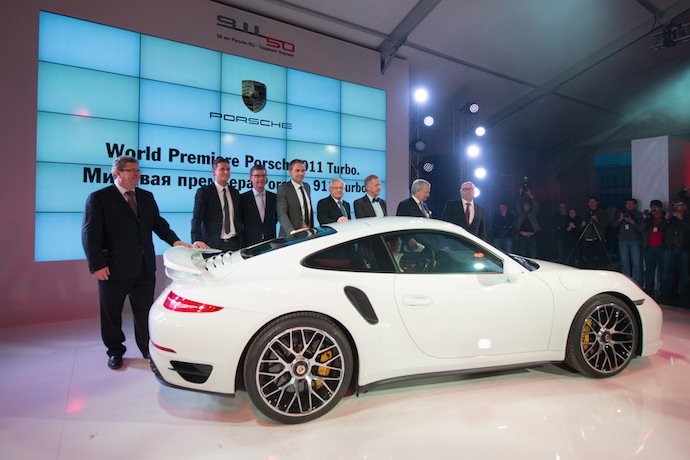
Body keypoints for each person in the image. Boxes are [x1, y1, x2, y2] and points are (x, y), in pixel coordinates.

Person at [81, 155, 191, 370]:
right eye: (132, 171)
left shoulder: (146, 196)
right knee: (111, 313)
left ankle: (146, 348)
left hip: (144, 267)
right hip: (113, 269)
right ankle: (115, 351)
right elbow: (89, 234)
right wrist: (97, 265)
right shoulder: (99, 198)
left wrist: (174, 241)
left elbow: (158, 224)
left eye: (138, 170)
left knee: (144, 311)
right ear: (117, 173)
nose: (137, 174)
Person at [191, 157, 242, 252]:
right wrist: (196, 239)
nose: (226, 172)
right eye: (222, 169)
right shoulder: (205, 192)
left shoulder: (235, 192)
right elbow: (197, 218)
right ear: (214, 172)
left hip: (234, 244)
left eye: (228, 169)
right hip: (212, 244)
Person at [659, 201, 690, 301]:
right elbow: (660, 228)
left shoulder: (687, 217)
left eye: (679, 205)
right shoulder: (670, 217)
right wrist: (666, 220)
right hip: (669, 247)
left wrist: (681, 219)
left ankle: (685, 294)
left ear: (685, 207)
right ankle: (665, 293)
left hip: (683, 248)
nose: (676, 206)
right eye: (675, 205)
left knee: (685, 272)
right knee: (666, 271)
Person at [611, 198, 646, 286]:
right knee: (624, 263)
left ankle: (637, 285)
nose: (629, 206)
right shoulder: (620, 213)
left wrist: (632, 221)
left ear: (635, 205)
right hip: (623, 241)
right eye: (627, 204)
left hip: (635, 241)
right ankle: (626, 284)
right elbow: (613, 226)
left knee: (636, 264)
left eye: (631, 204)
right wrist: (620, 219)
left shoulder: (639, 215)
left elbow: (641, 228)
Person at [240, 164, 277, 246]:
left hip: (270, 242)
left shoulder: (274, 197)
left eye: (263, 176)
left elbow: (276, 218)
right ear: (250, 178)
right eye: (257, 176)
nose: (261, 179)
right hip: (249, 243)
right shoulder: (242, 198)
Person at [277, 159, 313, 235]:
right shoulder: (284, 188)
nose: (301, 173)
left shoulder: (307, 186)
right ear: (290, 171)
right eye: (297, 170)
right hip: (291, 235)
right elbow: (281, 213)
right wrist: (292, 232)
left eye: (303, 171)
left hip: (307, 233)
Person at [642, 199, 665, 296]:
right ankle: (648, 288)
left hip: (662, 246)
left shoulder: (666, 217)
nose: (653, 209)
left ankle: (663, 289)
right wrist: (645, 220)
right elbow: (641, 229)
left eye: (656, 207)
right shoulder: (648, 217)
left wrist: (667, 219)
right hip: (649, 246)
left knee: (663, 269)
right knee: (649, 269)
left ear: (661, 208)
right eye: (652, 207)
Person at [580, 196, 610, 268]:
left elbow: (606, 225)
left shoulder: (602, 212)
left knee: (601, 259)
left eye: (593, 202)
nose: (591, 204)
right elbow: (580, 227)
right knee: (588, 259)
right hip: (587, 238)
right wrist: (582, 224)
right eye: (590, 202)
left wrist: (597, 220)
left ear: (597, 203)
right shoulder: (586, 212)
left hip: (598, 237)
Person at [513, 187, 540, 258]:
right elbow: (517, 203)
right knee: (522, 254)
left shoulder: (532, 213)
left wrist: (530, 194)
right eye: (525, 204)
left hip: (532, 236)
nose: (526, 206)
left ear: (529, 206)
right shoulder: (520, 213)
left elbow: (536, 205)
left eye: (527, 205)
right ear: (522, 206)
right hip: (522, 237)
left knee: (533, 254)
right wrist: (520, 193)